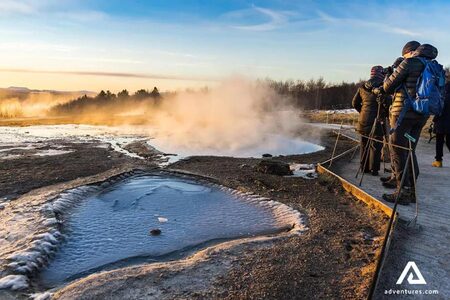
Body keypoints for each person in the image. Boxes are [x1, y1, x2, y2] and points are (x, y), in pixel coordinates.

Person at [380, 42, 439, 205]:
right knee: (410, 150)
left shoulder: (409, 63)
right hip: (421, 116)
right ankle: (411, 190)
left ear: (412, 52)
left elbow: (387, 87)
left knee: (398, 150)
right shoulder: (434, 66)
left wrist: (390, 72)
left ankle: (403, 191)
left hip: (403, 115)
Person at [352, 66, 386, 176]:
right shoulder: (384, 87)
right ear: (381, 74)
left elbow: (354, 103)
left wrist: (362, 112)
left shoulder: (362, 87)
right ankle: (374, 169)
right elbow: (387, 104)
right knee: (376, 145)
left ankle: (364, 168)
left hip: (363, 119)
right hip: (377, 120)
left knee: (364, 144)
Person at [432, 81, 450, 167]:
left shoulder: (443, 96)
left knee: (439, 141)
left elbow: (439, 109)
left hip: (441, 122)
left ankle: (438, 161)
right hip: (447, 123)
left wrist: (434, 119)